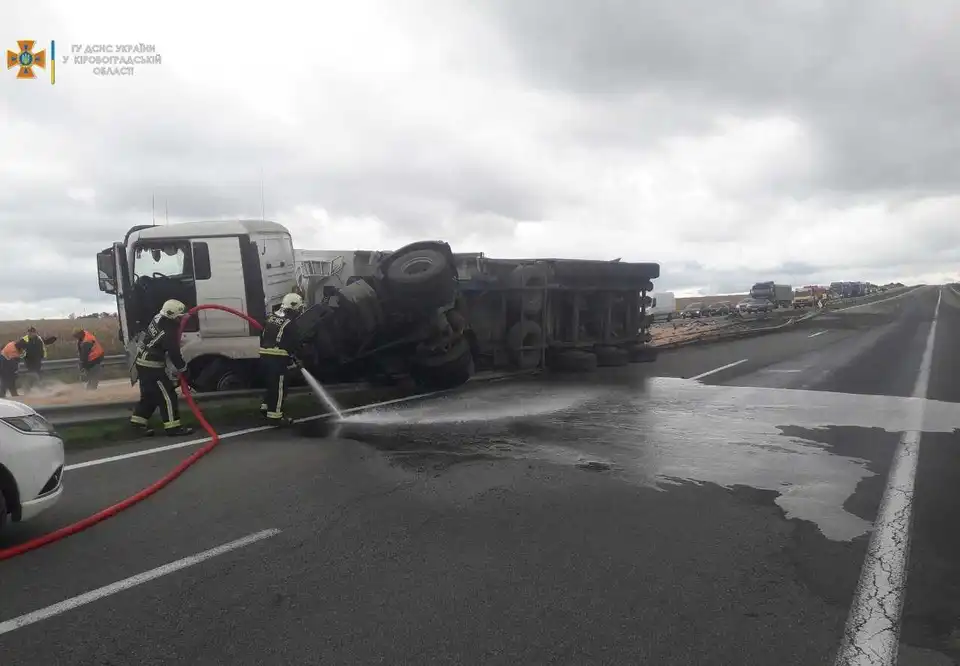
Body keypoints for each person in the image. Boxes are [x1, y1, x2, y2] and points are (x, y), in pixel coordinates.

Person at [129, 299, 195, 437]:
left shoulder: (158, 317)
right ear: (172, 316)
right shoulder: (168, 332)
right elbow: (174, 354)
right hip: (152, 367)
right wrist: (184, 370)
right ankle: (173, 427)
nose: (181, 320)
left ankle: (137, 424)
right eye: (179, 317)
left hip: (143, 363)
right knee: (168, 396)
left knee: (150, 396)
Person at [258, 292, 305, 426]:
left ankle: (266, 407)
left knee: (271, 384)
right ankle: (275, 417)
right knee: (279, 387)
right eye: (299, 309)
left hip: (264, 356)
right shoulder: (291, 323)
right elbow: (294, 343)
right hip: (277, 358)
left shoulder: (270, 317)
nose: (300, 312)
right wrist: (298, 357)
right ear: (294, 307)